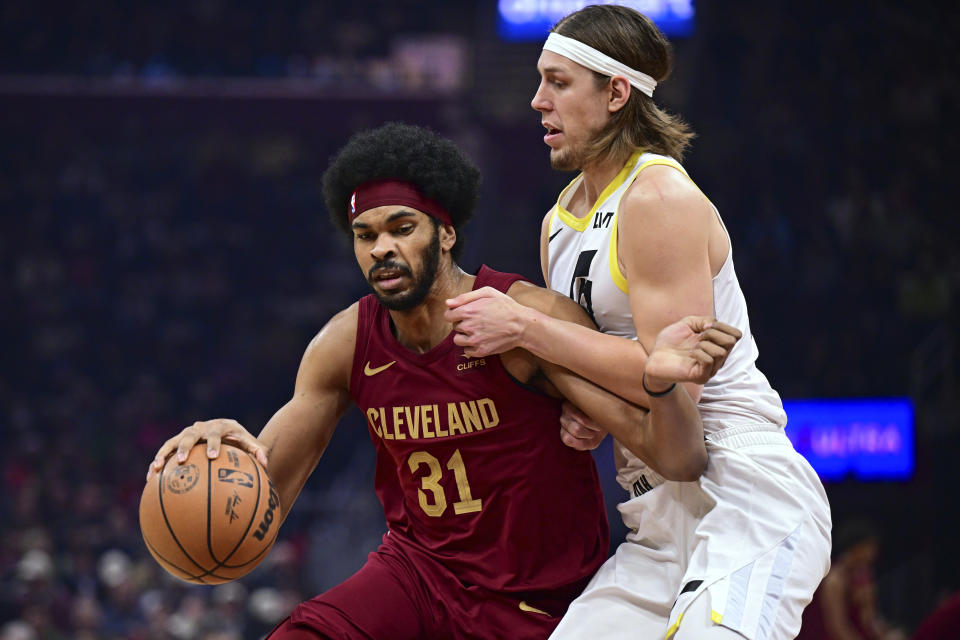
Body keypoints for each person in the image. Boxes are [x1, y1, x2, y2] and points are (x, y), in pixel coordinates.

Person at [146, 122, 742, 640]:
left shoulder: (521, 319)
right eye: (366, 235)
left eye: (402, 227)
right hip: (416, 574)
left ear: (446, 233)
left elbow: (677, 454)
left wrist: (661, 387)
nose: (382, 248)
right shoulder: (345, 343)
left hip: (535, 598)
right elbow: (263, 496)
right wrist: (223, 453)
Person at [444, 5, 833, 640]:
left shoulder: (657, 198)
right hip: (653, 511)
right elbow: (615, 373)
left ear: (617, 93)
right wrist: (589, 410)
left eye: (558, 82)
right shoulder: (559, 221)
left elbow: (675, 386)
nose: (537, 100)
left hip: (739, 491)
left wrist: (525, 329)